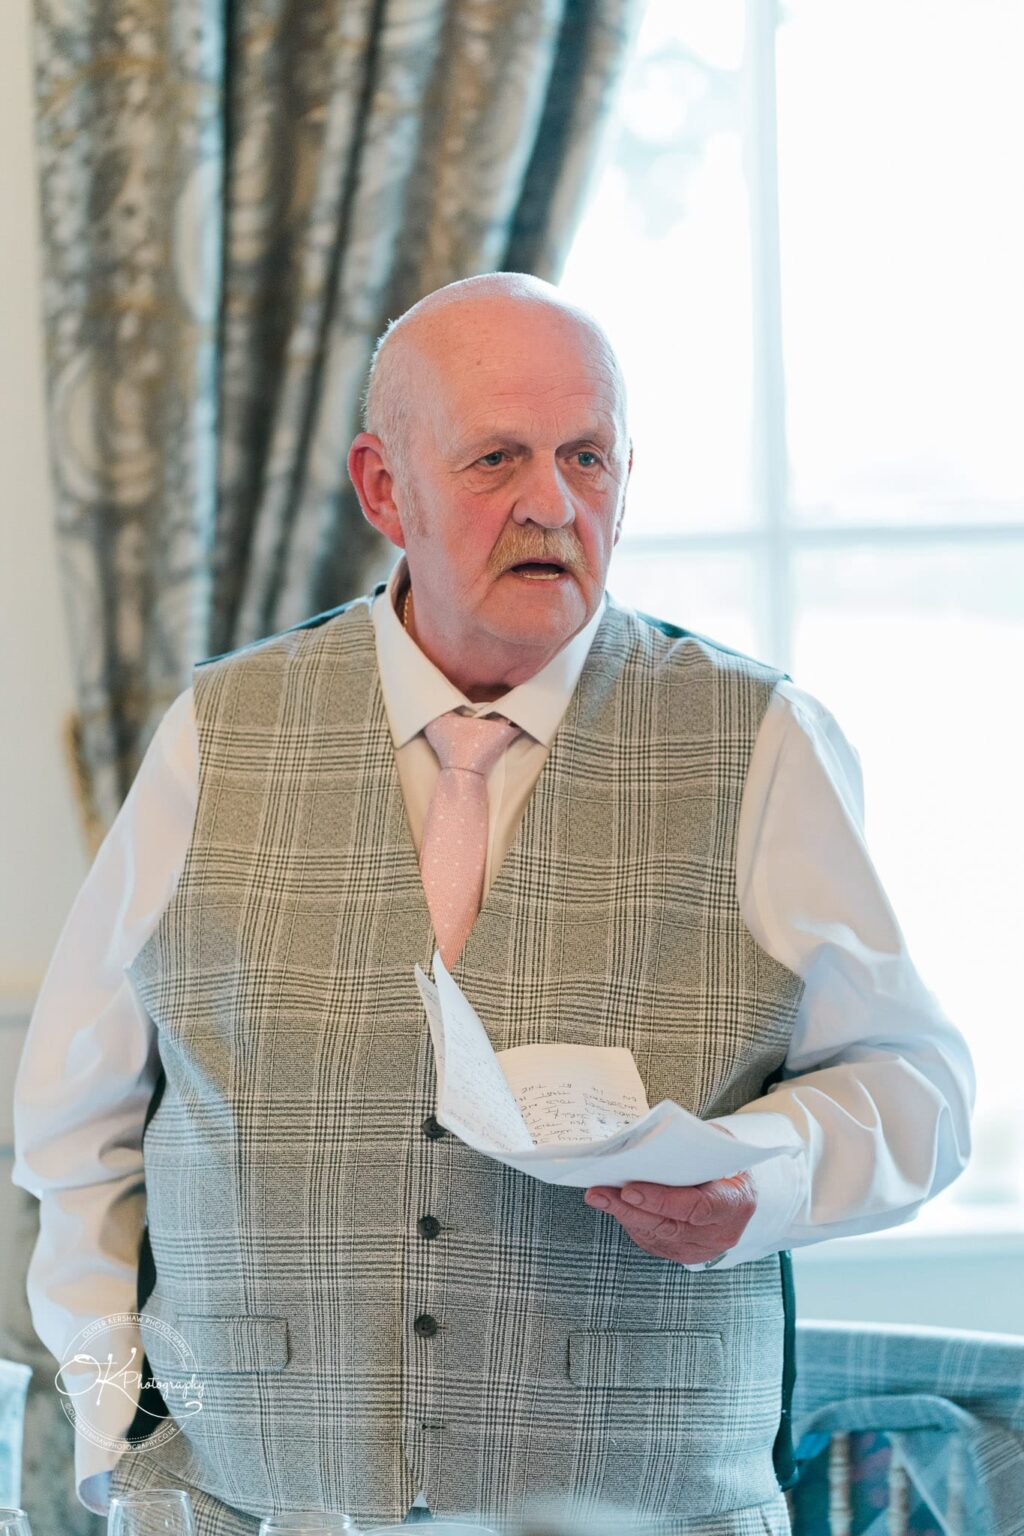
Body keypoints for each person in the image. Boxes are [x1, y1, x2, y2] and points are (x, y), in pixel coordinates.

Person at [13, 272, 974, 1536]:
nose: (551, 503)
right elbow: (75, 1134)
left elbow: (917, 1089)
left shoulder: (760, 738)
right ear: (381, 488)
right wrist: (108, 1434)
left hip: (651, 1511)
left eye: (587, 458)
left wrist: (769, 1182)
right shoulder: (221, 731)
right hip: (243, 1510)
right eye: (495, 459)